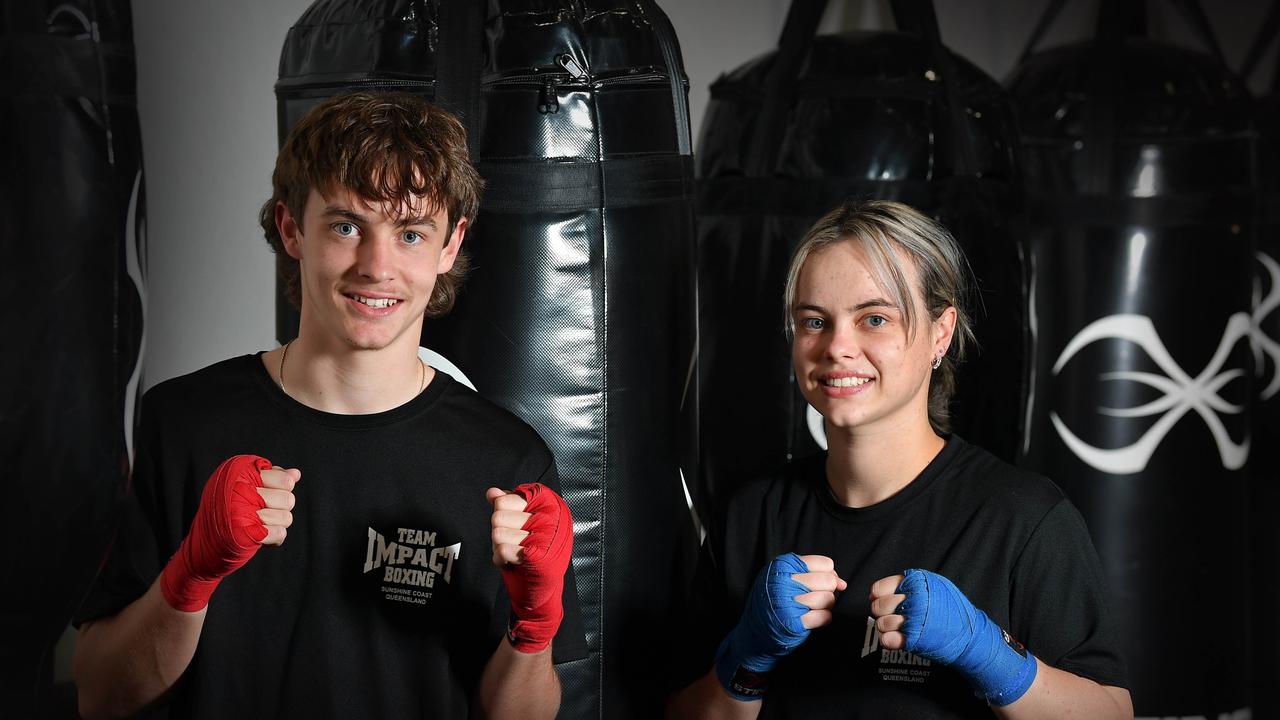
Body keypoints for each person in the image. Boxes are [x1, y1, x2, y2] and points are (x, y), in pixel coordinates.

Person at [72, 91, 587, 719]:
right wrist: (189, 578)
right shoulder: (179, 425)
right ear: (292, 229)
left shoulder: (507, 461)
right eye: (346, 226)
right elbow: (100, 696)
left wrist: (535, 621)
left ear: (449, 246)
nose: (377, 266)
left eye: (410, 233)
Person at [668, 200, 1131, 719]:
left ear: (941, 331)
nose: (838, 347)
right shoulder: (750, 517)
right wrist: (746, 659)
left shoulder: (1023, 518)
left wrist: (990, 654)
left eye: (874, 318)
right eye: (815, 320)